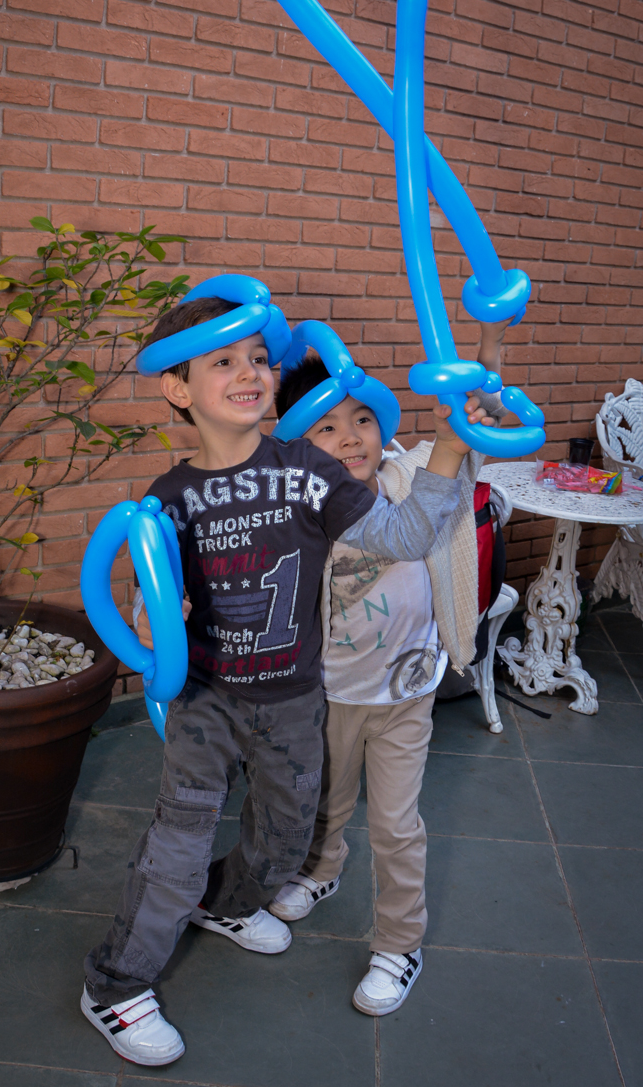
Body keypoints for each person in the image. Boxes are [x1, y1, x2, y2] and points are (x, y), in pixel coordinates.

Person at [81, 295, 496, 1066]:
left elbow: (405, 536)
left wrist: (445, 442)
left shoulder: (306, 471)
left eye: (258, 359)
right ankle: (114, 983)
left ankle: (225, 903)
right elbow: (148, 596)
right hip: (205, 697)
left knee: (281, 842)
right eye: (223, 362)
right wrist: (149, 619)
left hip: (293, 700)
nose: (250, 373)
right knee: (179, 837)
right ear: (178, 389)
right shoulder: (170, 498)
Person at [268, 320, 508, 1017]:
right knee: (326, 803)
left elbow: (475, 420)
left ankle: (399, 944)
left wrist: (489, 342)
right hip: (329, 693)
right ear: (296, 447)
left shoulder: (412, 476)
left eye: (362, 419)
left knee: (396, 824)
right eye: (326, 429)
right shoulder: (299, 510)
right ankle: (320, 870)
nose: (350, 439)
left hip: (406, 691)